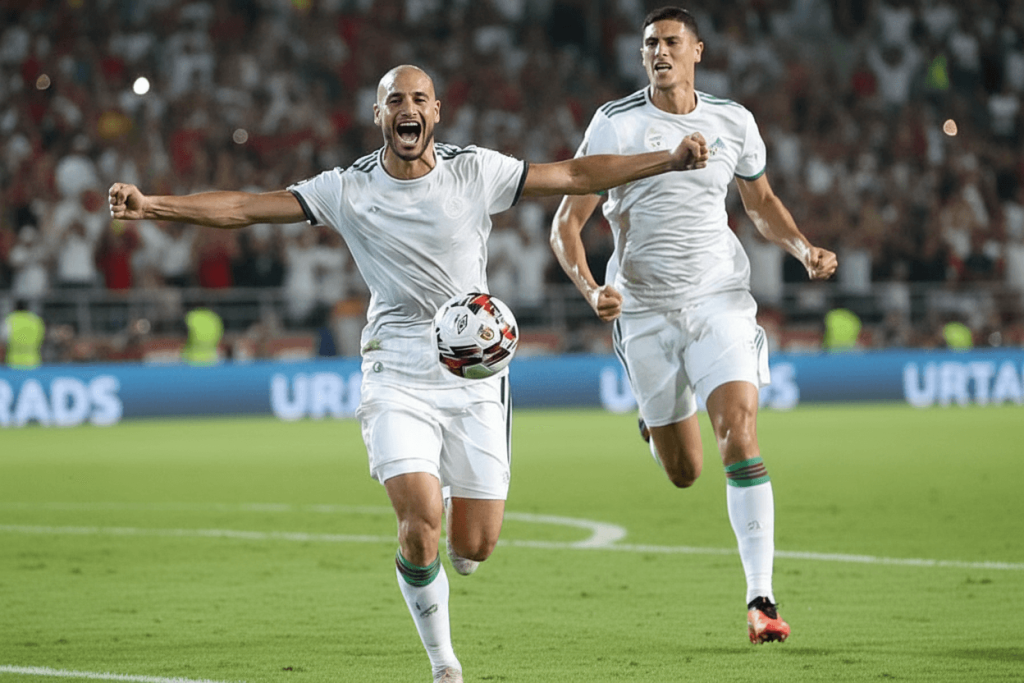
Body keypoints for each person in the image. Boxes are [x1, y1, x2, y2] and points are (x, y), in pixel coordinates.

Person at [109, 64, 709, 683]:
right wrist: (155, 204)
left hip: (474, 377)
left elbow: (576, 174)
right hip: (395, 369)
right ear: (379, 116)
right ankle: (443, 662)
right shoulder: (347, 188)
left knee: (472, 547)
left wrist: (666, 159)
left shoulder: (475, 170)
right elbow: (245, 208)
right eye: (395, 99)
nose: (407, 108)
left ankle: (453, 509)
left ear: (436, 112)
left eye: (419, 98)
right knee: (419, 524)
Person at [550, 8, 838, 645]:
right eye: (649, 43)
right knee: (684, 471)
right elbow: (566, 223)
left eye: (671, 42)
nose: (659, 51)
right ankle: (653, 427)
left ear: (697, 51)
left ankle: (760, 599)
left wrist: (802, 249)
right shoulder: (614, 124)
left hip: (719, 300)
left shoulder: (734, 120)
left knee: (739, 432)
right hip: (645, 309)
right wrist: (593, 288)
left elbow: (760, 204)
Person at [3, 300, 45, 369]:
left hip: (13, 363)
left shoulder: (10, 320)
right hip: (33, 362)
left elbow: (3, 342)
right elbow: (42, 339)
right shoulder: (36, 320)